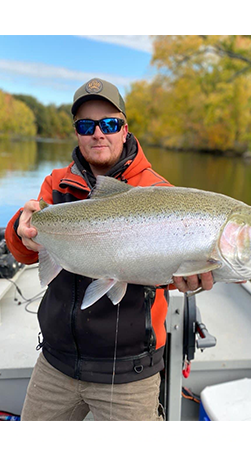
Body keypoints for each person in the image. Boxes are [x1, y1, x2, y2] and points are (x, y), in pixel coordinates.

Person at [5, 78, 213, 421]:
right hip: (56, 364)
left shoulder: (160, 192)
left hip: (129, 375)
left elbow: (167, 273)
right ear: (77, 133)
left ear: (125, 130)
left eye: (109, 124)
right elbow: (24, 250)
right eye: (87, 125)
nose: (98, 133)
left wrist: (182, 278)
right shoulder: (56, 184)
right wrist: (19, 229)